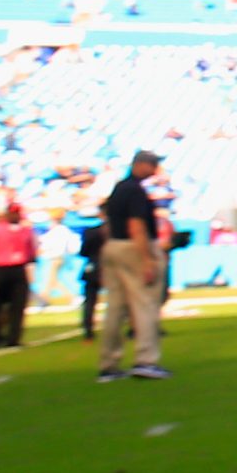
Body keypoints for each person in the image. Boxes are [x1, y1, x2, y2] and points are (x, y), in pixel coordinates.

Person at [96, 150, 170, 381]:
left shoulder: (119, 188)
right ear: (141, 165)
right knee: (145, 304)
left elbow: (108, 222)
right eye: (153, 164)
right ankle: (145, 360)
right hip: (132, 247)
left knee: (115, 308)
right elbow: (136, 225)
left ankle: (109, 363)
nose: (155, 169)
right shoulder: (136, 191)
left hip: (113, 246)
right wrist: (147, 259)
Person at [0, 202, 38, 349]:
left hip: (16, 268)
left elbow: (31, 254)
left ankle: (12, 337)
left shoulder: (25, 231)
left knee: (16, 306)